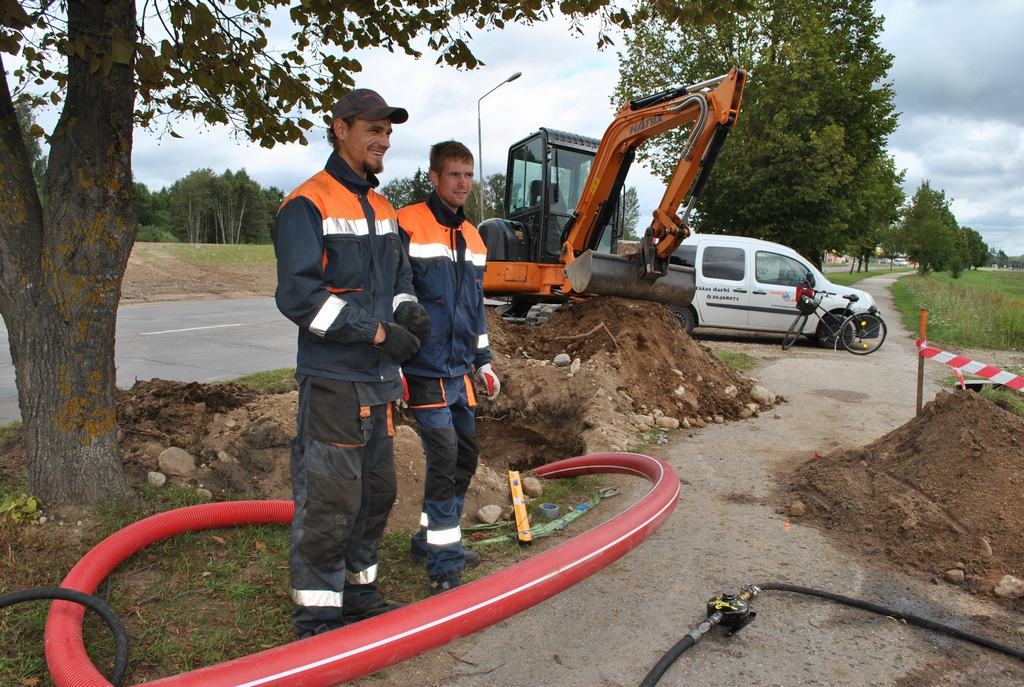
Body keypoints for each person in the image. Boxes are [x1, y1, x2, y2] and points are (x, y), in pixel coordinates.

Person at [273, 88, 432, 638]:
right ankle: (318, 616)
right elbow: (300, 298)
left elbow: (400, 280)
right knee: (330, 500)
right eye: (373, 128)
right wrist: (379, 332)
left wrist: (410, 316)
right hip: (336, 383)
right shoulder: (306, 204)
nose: (383, 139)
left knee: (376, 493)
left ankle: (360, 598)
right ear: (340, 128)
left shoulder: (384, 208)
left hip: (381, 384)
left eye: (389, 131)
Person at [397, 140, 501, 595]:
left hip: (459, 371)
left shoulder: (474, 238)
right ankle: (444, 564)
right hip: (423, 368)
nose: (462, 183)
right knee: (443, 457)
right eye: (454, 174)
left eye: (468, 175)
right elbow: (394, 297)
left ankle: (429, 538)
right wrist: (395, 361)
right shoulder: (407, 224)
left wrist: (484, 360)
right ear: (433, 178)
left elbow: (473, 308)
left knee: (466, 455)